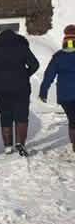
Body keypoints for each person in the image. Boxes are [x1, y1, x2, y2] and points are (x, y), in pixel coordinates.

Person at [0, 29, 40, 157]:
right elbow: (35, 64)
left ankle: (7, 146)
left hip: (0, 89)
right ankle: (21, 143)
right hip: (21, 87)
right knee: (22, 115)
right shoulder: (22, 47)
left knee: (5, 115)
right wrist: (25, 74)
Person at [39, 25, 75, 153]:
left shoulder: (58, 57)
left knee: (72, 119)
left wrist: (43, 92)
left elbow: (49, 76)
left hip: (65, 96)